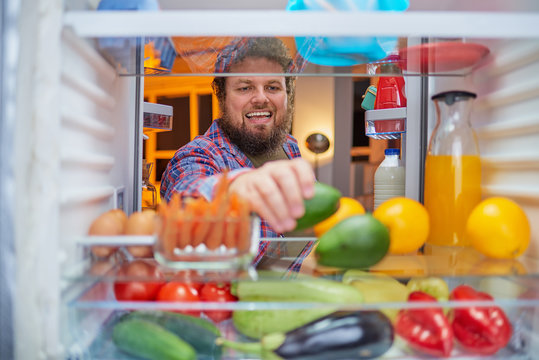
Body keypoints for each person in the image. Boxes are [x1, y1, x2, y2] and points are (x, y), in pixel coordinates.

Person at [160, 37, 316, 269]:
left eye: (272, 87)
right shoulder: (198, 155)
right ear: (222, 97)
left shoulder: (289, 146)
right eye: (245, 88)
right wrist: (233, 189)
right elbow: (185, 202)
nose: (261, 98)